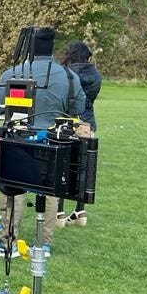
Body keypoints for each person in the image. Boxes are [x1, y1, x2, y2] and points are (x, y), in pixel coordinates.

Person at [0, 27, 85, 258]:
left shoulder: (15, 73)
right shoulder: (69, 76)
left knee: (13, 190)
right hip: (54, 140)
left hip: (19, 140)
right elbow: (78, 108)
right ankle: (43, 244)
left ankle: (8, 242)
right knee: (50, 192)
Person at [57, 40, 101, 227]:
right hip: (87, 122)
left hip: (68, 120)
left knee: (62, 166)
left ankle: (59, 212)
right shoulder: (96, 75)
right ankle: (79, 210)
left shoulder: (66, 74)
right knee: (82, 167)